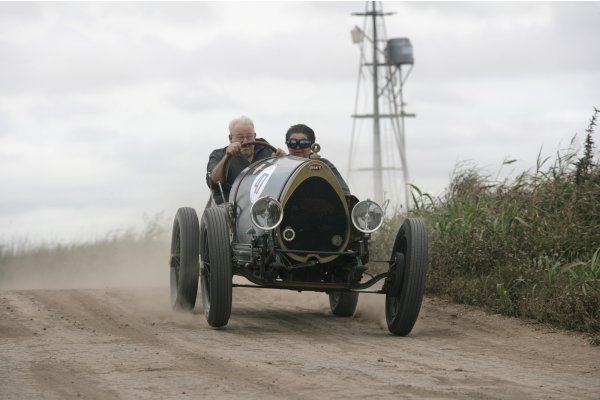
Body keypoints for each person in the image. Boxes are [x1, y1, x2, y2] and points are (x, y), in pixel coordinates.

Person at [207, 115, 285, 203]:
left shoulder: (268, 152)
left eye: (249, 137)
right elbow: (216, 181)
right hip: (230, 209)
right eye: (240, 137)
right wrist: (227, 157)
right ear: (230, 138)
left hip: (264, 206)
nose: (245, 142)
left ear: (254, 136)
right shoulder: (218, 155)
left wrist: (283, 160)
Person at [285, 123, 351, 195]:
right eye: (292, 143)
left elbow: (345, 194)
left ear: (312, 145)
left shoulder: (324, 165)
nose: (297, 148)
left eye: (303, 143)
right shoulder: (281, 165)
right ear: (287, 144)